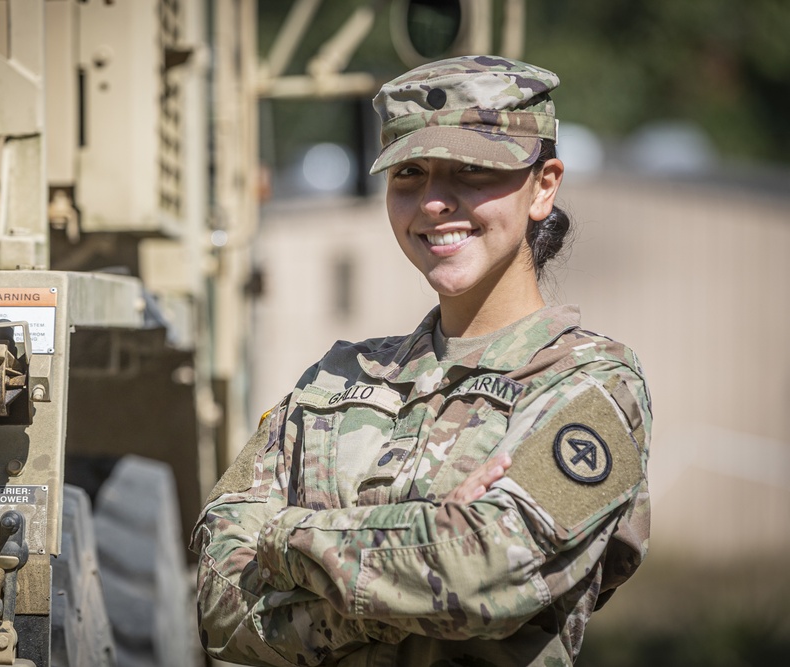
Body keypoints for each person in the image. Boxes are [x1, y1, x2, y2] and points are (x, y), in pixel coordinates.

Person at [191, 55, 652, 666]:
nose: (434, 202)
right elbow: (218, 604)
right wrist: (423, 540)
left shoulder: (590, 382)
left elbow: (484, 573)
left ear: (544, 186)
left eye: (472, 170)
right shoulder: (335, 380)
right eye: (409, 173)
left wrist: (284, 539)